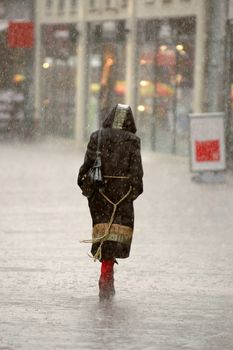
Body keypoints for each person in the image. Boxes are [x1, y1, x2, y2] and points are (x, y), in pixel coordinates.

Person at [78, 104, 143, 300]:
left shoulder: (97, 137)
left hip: (100, 194)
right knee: (116, 236)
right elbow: (137, 173)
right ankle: (107, 276)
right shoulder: (133, 141)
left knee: (104, 235)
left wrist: (88, 188)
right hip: (122, 196)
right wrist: (131, 193)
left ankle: (106, 275)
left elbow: (87, 166)